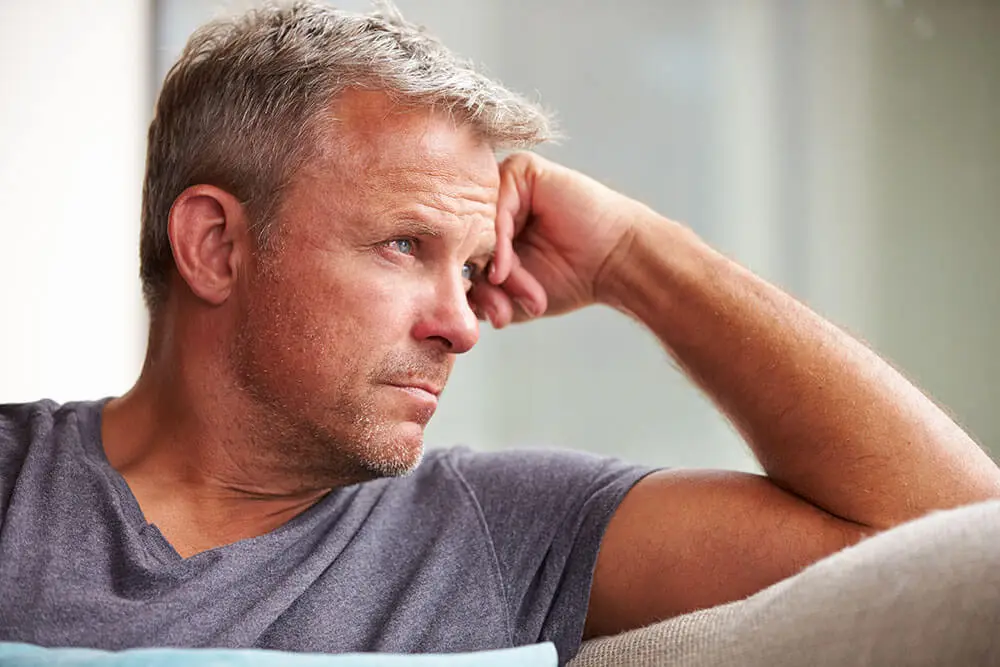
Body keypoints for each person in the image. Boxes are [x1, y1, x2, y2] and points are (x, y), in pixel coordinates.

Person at [1, 2, 998, 665]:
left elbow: (961, 548)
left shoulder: (506, 530)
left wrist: (637, 256)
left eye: (475, 270)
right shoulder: (15, 490)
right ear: (216, 245)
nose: (462, 324)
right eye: (404, 245)